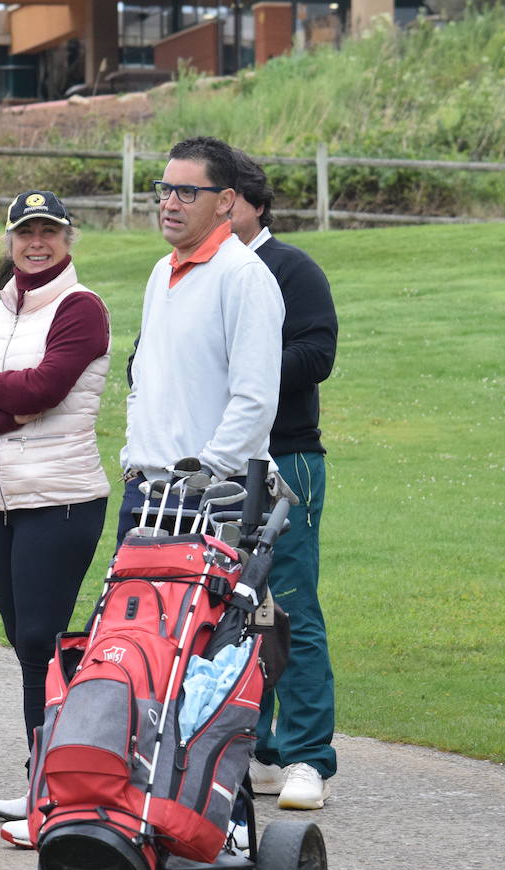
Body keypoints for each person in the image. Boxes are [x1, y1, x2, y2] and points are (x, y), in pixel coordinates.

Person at [0, 190, 111, 848]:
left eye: (49, 231)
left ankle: (55, 789)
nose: (36, 243)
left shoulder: (82, 308)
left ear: (68, 238)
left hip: (62, 501)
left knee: (41, 642)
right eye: (25, 232)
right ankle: (47, 774)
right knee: (27, 649)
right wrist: (0, 402)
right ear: (8, 240)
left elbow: (47, 387)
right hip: (3, 505)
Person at [229, 150, 339, 811]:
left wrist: (238, 373)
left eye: (227, 199)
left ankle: (305, 756)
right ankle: (255, 749)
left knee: (289, 604)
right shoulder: (199, 275)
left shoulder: (291, 269)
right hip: (213, 462)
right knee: (230, 609)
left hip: (285, 456)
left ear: (253, 205)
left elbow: (316, 353)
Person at [117, 135, 285, 546]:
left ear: (226, 200)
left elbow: (256, 398)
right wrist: (134, 457)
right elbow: (144, 378)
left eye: (188, 192)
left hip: (216, 494)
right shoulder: (161, 271)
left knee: (203, 614)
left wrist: (207, 470)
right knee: (131, 611)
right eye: (165, 189)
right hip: (149, 491)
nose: (170, 204)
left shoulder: (244, 275)